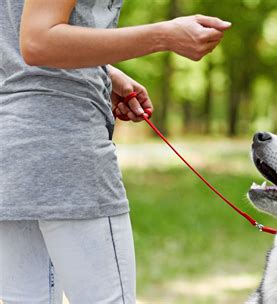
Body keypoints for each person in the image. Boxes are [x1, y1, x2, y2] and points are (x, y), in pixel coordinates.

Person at [0, 0, 231, 303]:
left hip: (14, 147)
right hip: (67, 146)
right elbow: (37, 40)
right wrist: (164, 36)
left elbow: (19, 37)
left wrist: (104, 74)